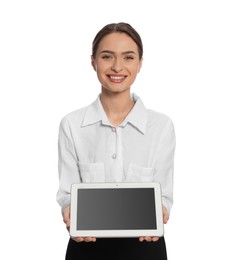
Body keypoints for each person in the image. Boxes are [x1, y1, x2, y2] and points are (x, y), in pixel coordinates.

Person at [56, 22, 176, 260]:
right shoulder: (71, 124)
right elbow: (68, 192)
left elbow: (163, 195)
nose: (117, 67)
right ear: (93, 62)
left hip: (145, 249)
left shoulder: (161, 126)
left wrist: (161, 210)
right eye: (107, 56)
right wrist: (70, 211)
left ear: (140, 63)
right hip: (86, 248)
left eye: (128, 57)